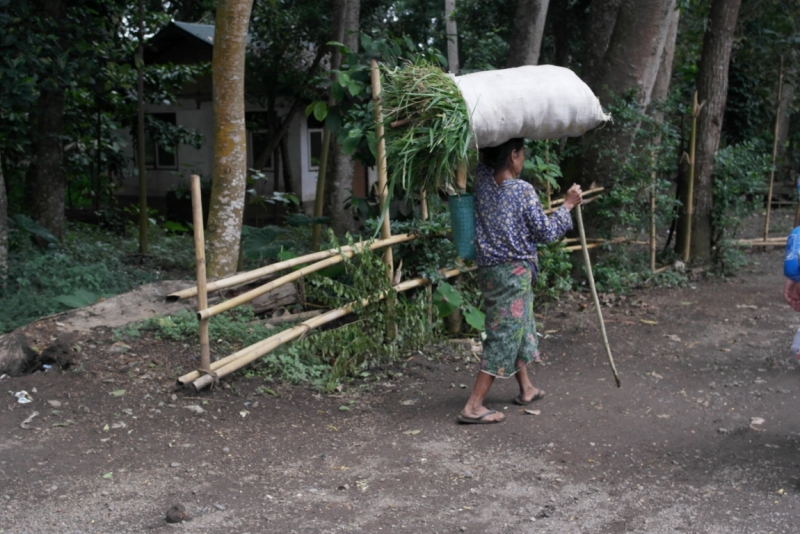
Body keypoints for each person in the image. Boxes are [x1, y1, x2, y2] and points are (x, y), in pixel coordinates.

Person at [458, 138, 583, 424]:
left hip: (490, 271)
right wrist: (567, 205)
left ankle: (526, 389)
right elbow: (547, 232)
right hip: (513, 273)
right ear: (513, 155)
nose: (523, 159)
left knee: (520, 325)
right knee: (504, 334)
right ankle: (473, 406)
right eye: (522, 154)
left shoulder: (482, 180)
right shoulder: (523, 190)